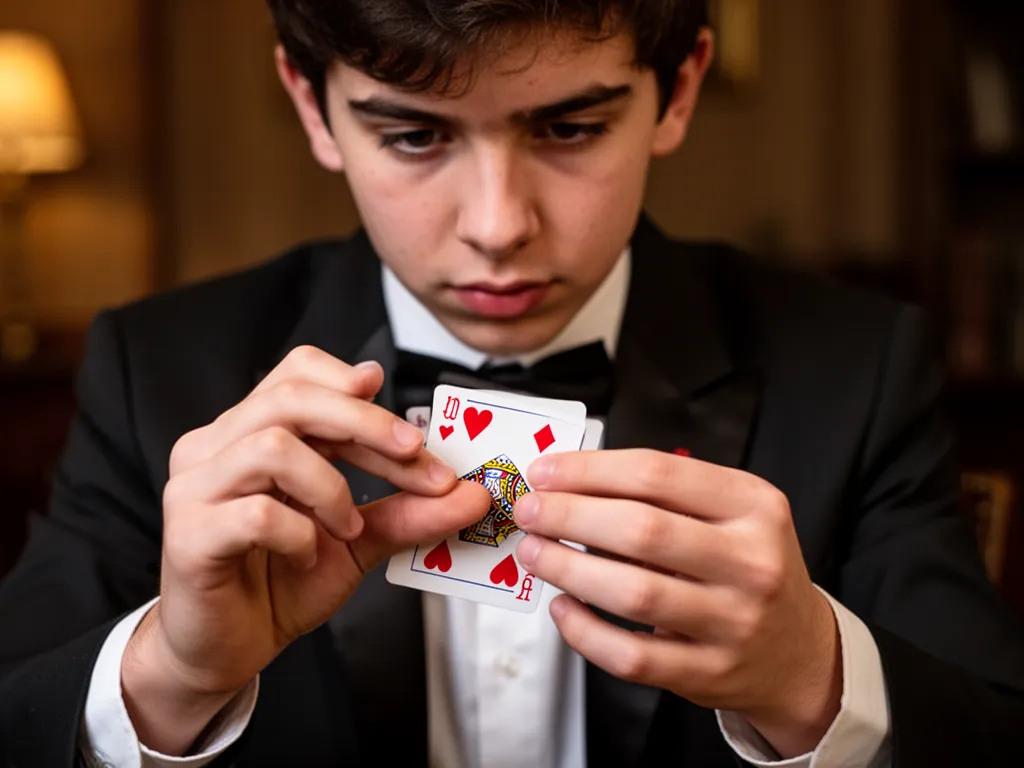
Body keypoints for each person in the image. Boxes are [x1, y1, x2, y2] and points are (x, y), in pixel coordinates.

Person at [1, 1, 1023, 766]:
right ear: (312, 109)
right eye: (413, 135)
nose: (497, 227)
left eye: (569, 128)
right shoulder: (158, 367)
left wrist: (816, 678)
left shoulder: (859, 362)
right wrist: (170, 677)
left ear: (680, 87)